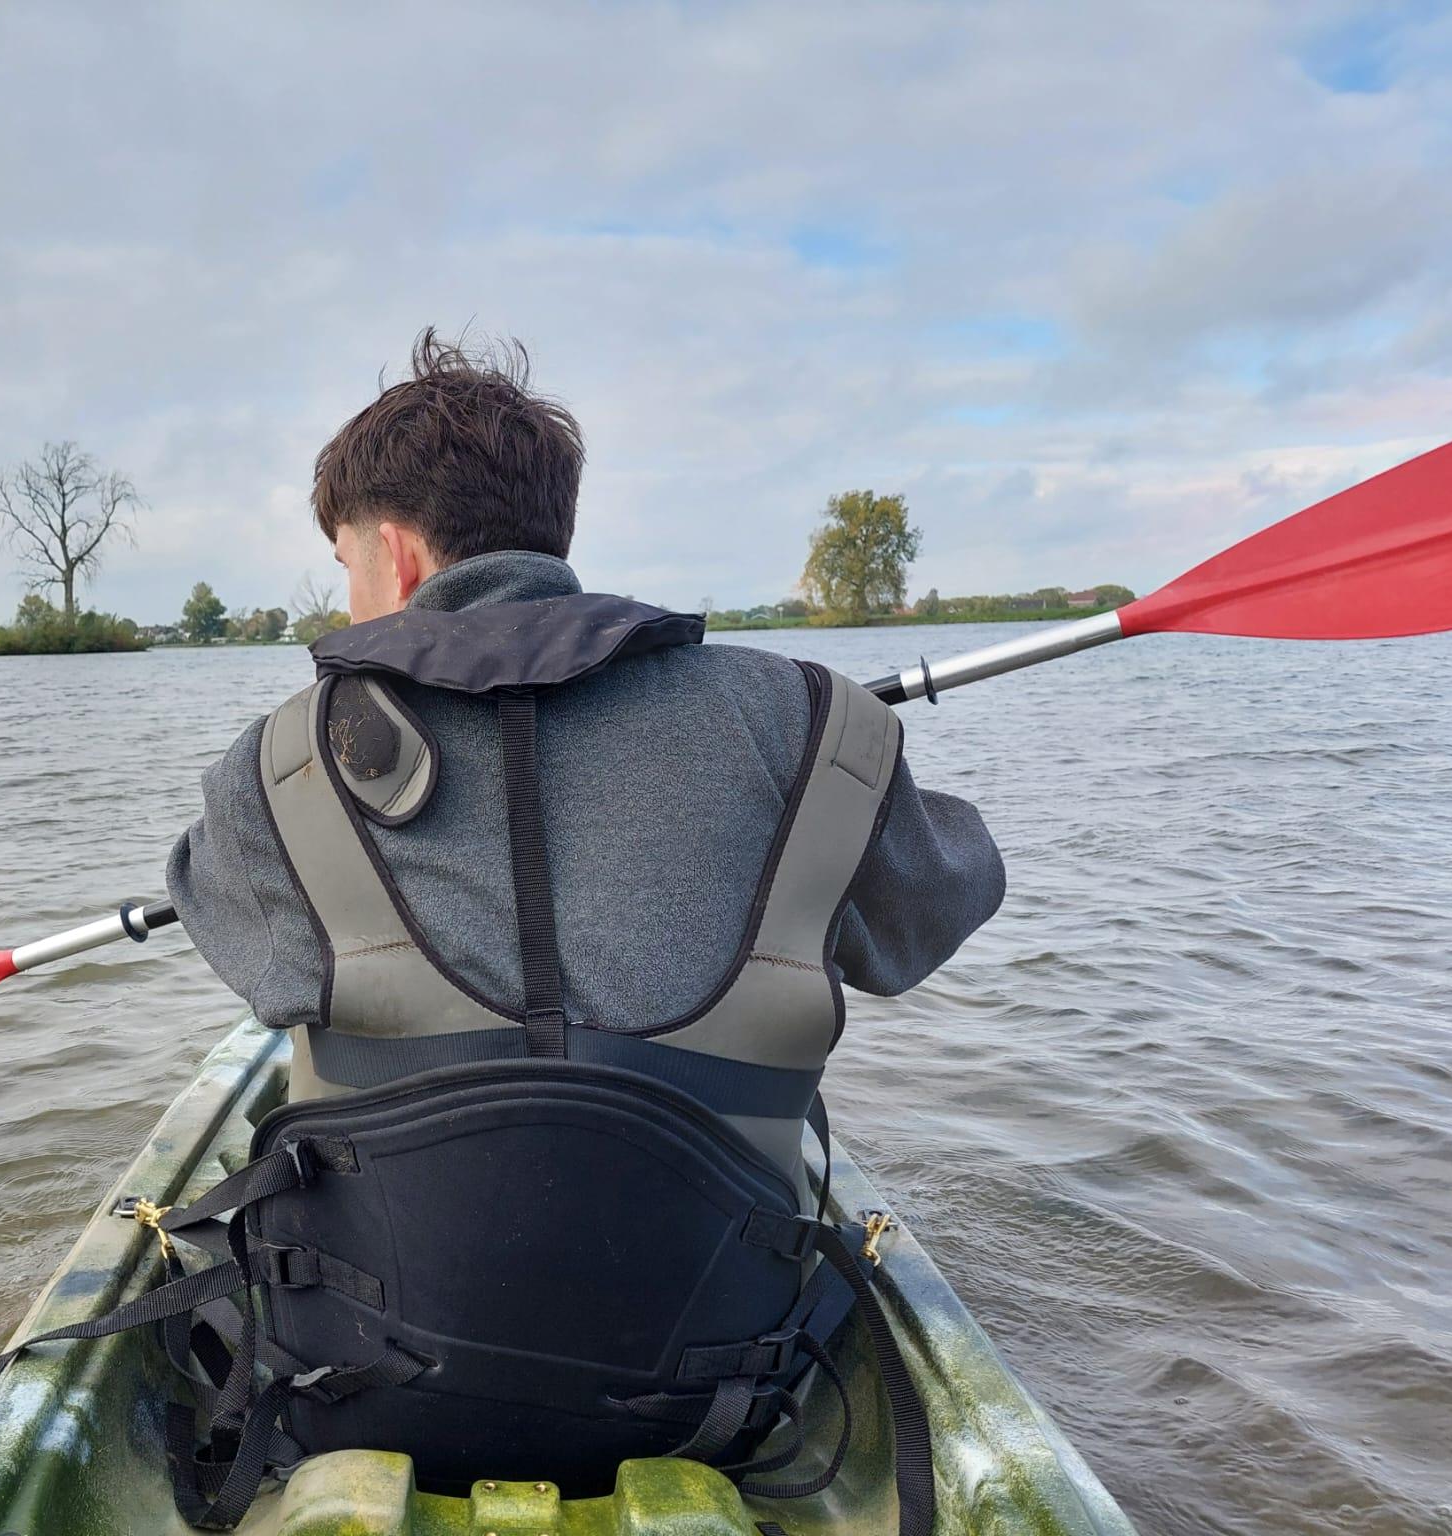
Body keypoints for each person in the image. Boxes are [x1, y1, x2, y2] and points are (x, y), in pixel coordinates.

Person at [136, 333, 1003, 1512]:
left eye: (342, 562)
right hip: (718, 1398)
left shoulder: (275, 768)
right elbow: (929, 914)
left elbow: (240, 943)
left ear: (390, 556)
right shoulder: (814, 724)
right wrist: (830, 763)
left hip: (363, 1385)